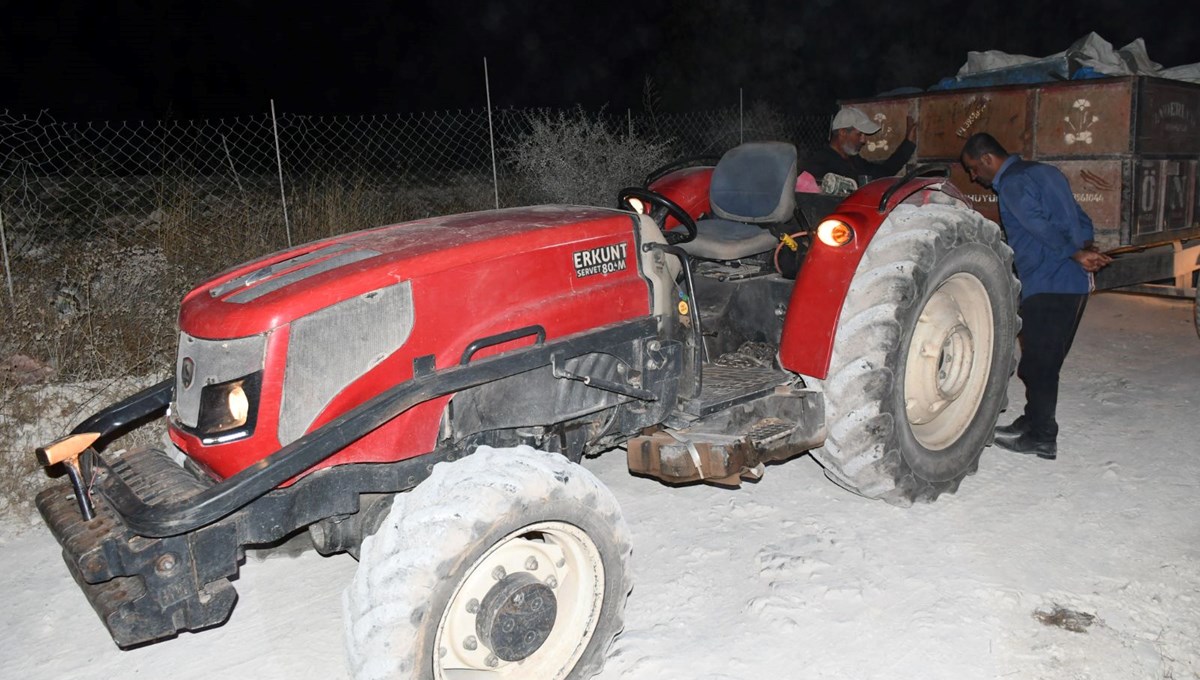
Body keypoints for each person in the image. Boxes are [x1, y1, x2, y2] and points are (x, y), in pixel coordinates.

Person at [959, 132, 1112, 461]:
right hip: (1074, 285)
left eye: (973, 168)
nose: (974, 176)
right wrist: (1084, 247)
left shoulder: (1012, 183)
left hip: (1047, 281)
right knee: (1045, 359)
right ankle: (1032, 421)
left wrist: (1073, 253)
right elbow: (1080, 216)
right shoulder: (1047, 173)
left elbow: (1036, 225)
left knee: (1039, 364)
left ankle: (1042, 437)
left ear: (987, 159)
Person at [800, 106, 917, 187]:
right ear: (842, 132)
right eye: (859, 134)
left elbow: (884, 171)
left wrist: (909, 143)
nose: (864, 140)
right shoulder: (818, 165)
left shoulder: (854, 161)